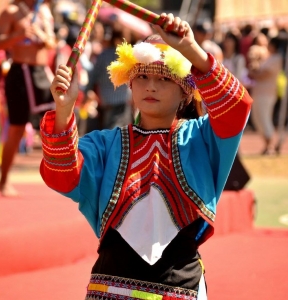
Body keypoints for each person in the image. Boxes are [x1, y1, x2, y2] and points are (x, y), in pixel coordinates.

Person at [40, 13, 252, 300]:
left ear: (185, 92)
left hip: (179, 288)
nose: (150, 86)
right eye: (141, 76)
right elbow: (62, 176)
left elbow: (236, 107)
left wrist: (191, 49)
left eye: (163, 78)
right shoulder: (106, 144)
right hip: (110, 286)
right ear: (129, 84)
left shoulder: (201, 138)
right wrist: (64, 112)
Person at [0, 0, 56, 196]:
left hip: (42, 73)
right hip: (20, 72)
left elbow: (51, 43)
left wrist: (43, 37)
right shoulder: (11, 12)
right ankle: (3, 180)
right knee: (17, 128)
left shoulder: (44, 9)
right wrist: (18, 35)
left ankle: (60, 177)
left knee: (55, 123)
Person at [86, 27, 132, 130]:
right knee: (119, 131)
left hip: (106, 99)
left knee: (109, 130)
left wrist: (87, 91)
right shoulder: (127, 56)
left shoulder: (103, 55)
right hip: (122, 98)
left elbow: (93, 75)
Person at [248, 37, 283, 155]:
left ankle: (271, 145)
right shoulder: (268, 58)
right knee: (257, 119)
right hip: (259, 92)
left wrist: (253, 73)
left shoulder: (276, 58)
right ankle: (267, 144)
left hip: (267, 93)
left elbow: (264, 74)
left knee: (264, 118)